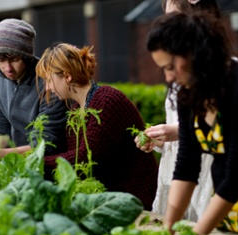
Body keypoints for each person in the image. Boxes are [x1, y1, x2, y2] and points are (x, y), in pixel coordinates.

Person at [147, 11, 238, 235]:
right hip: (230, 214)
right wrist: (169, 228)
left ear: (194, 52)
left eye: (170, 66)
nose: (169, 78)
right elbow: (186, 164)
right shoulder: (190, 93)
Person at [36, 42, 158, 210]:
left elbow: (87, 157)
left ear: (67, 76)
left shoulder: (107, 100)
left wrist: (37, 163)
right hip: (109, 200)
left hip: (135, 200)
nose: (48, 87)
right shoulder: (77, 108)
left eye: (49, 80)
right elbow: (74, 157)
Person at [135, 0, 222, 222]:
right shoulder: (180, 79)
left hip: (211, 178)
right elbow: (185, 156)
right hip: (181, 175)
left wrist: (178, 131)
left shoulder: (227, 75)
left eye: (174, 19)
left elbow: (229, 141)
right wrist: (160, 140)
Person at [0, 18, 67, 166]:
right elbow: (2, 127)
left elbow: (46, 145)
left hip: (50, 165)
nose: (8, 68)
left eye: (14, 59)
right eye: (1, 60)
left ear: (27, 56)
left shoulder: (50, 83)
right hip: (16, 161)